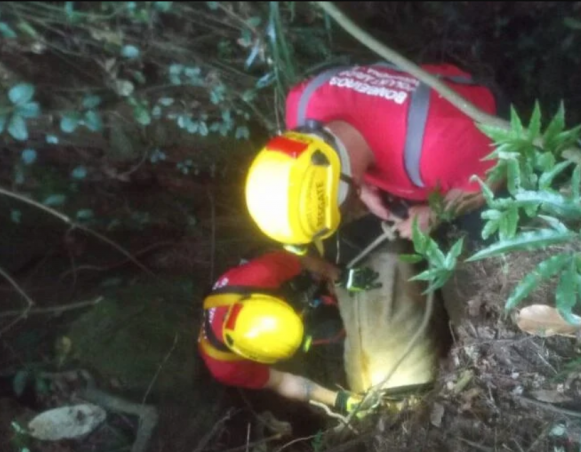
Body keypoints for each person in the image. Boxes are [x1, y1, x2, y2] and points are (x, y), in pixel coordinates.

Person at [244, 61, 506, 253]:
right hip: (422, 134)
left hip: (477, 133)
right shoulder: (300, 105)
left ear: (352, 189)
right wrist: (368, 190)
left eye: (346, 208)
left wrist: (436, 213)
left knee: (481, 239)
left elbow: (496, 172)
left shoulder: (436, 148)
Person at [196, 249, 380, 415]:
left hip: (256, 286)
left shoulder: (258, 276)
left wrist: (339, 276)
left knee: (303, 278)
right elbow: (281, 381)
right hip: (235, 340)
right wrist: (338, 400)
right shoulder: (225, 367)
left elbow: (300, 259)